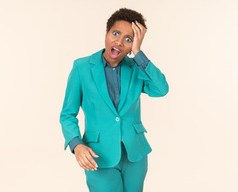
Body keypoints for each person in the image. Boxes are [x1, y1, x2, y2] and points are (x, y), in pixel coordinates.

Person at [60, 7, 169, 192]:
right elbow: (67, 115)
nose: (119, 42)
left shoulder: (135, 68)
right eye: (115, 33)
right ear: (106, 33)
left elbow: (161, 89)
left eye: (128, 39)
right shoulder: (82, 67)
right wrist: (76, 145)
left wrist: (139, 54)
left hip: (135, 154)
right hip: (99, 156)